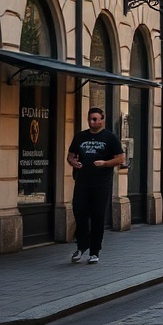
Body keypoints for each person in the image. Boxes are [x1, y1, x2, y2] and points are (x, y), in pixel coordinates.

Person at [68, 108, 124, 264]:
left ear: (102, 120)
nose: (91, 122)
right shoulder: (80, 136)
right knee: (79, 213)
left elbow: (120, 159)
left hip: (101, 183)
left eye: (94, 119)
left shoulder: (110, 138)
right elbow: (71, 155)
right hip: (82, 181)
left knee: (97, 216)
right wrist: (73, 162)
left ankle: (94, 251)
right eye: (90, 119)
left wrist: (105, 163)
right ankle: (81, 246)